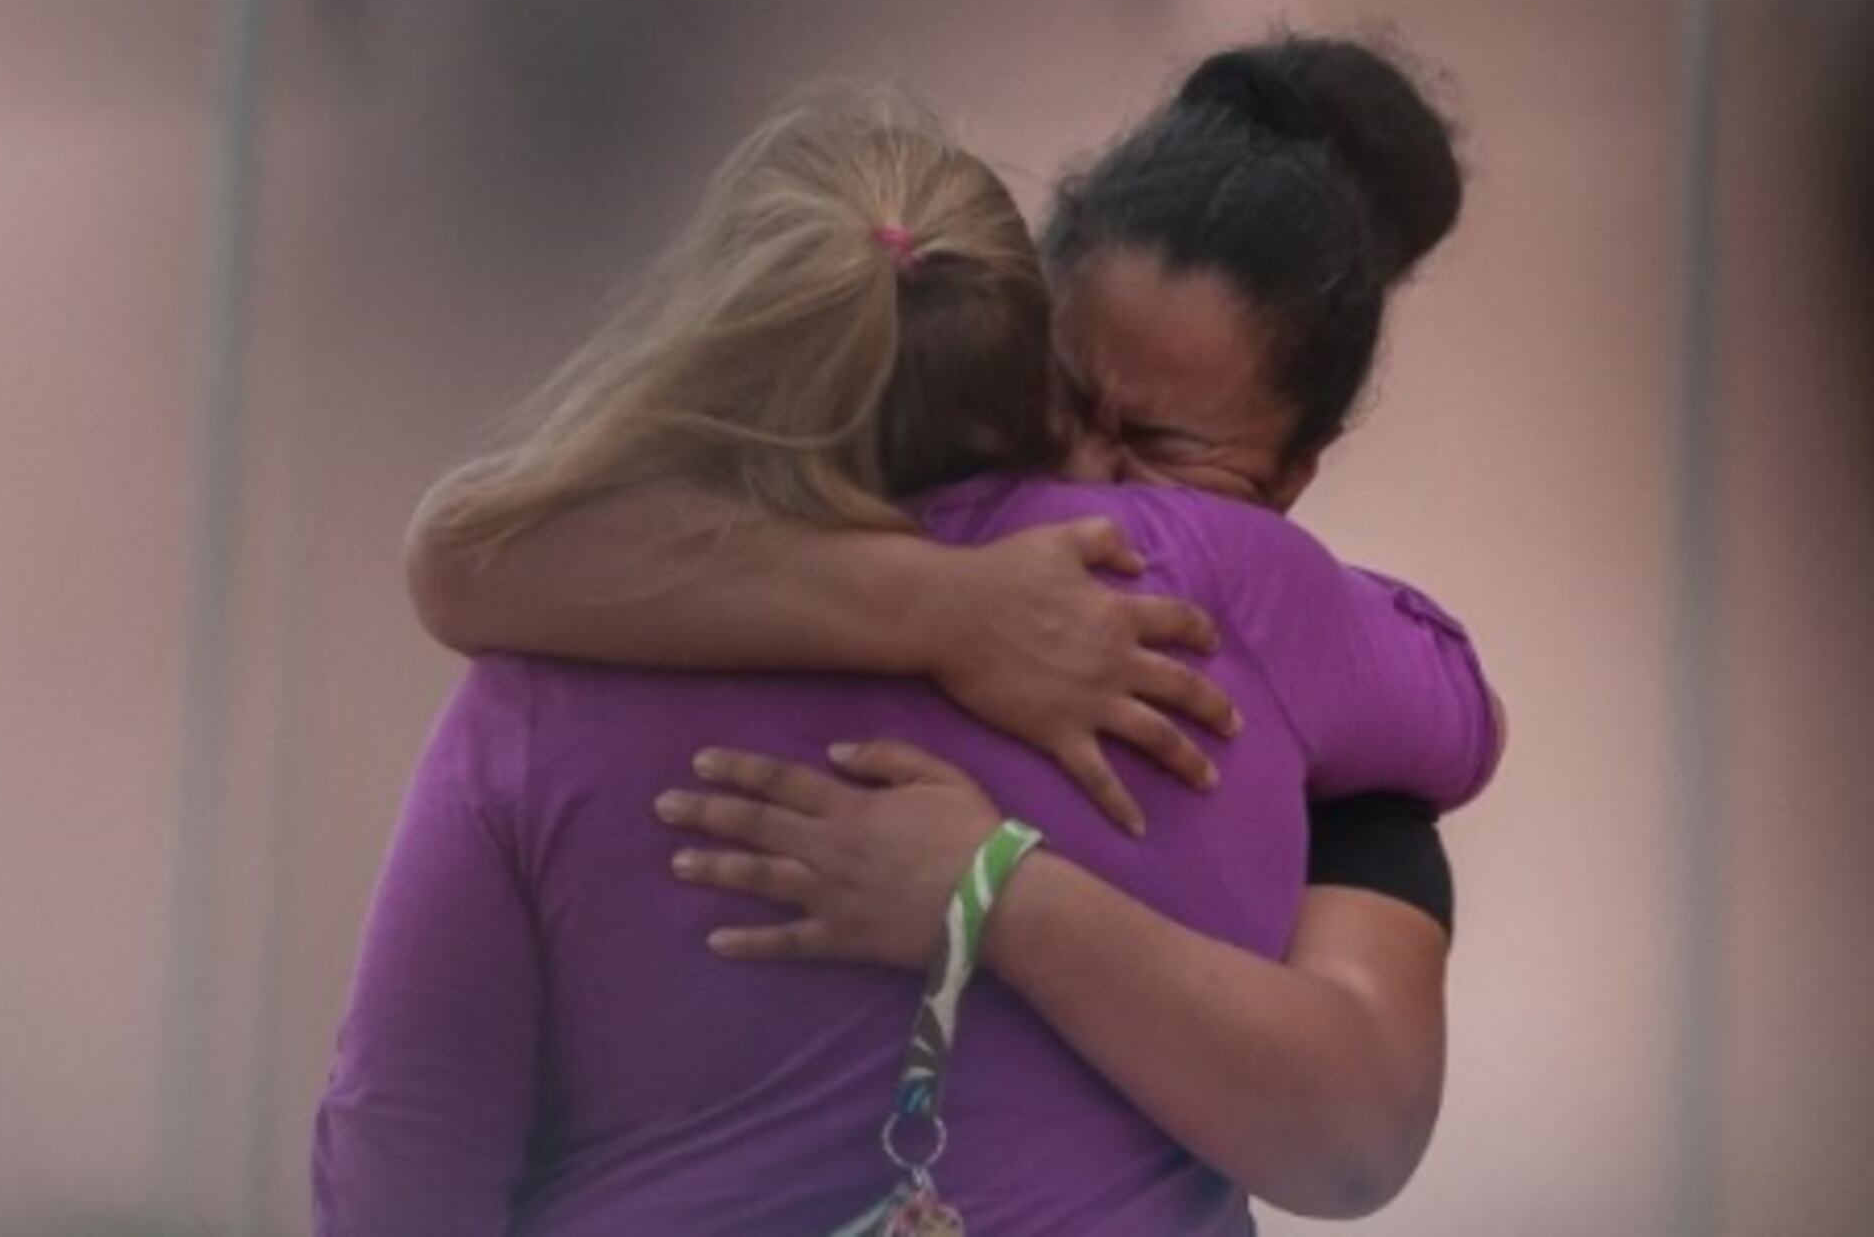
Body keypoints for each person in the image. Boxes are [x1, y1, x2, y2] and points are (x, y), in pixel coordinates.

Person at [317, 81, 1498, 1234]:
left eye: (1157, 442)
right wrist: (944, 611)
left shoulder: (542, 655)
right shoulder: (1231, 595)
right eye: (1068, 395)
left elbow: (400, 1167)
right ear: (1009, 317)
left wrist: (992, 881)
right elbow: (1461, 704)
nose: (1087, 477)